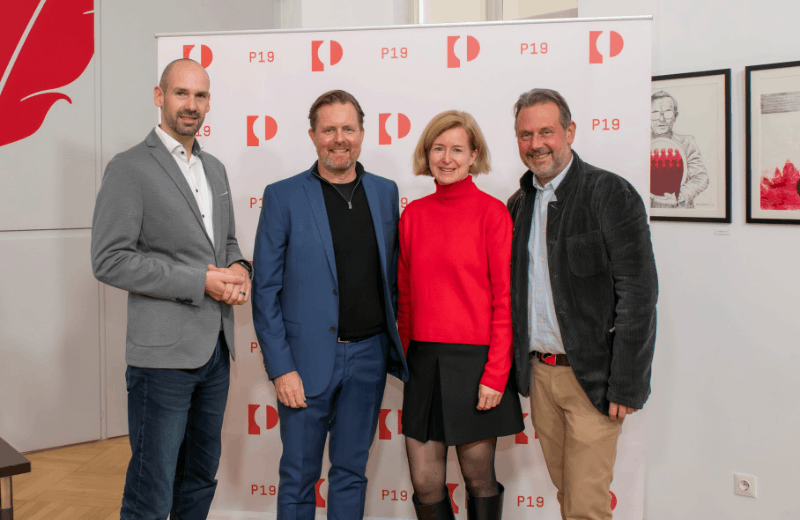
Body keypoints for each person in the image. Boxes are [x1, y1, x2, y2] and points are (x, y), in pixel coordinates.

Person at [91, 58, 252, 519]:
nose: (191, 105)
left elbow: (226, 243)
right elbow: (109, 260)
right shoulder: (129, 168)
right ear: (159, 97)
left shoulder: (214, 168)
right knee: (151, 489)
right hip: (161, 360)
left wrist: (240, 268)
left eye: (200, 95)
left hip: (215, 351)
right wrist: (199, 281)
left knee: (199, 478)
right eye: (181, 93)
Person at [251, 90, 409, 519]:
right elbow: (265, 291)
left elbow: (391, 277)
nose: (339, 139)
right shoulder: (283, 196)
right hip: (304, 364)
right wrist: (281, 368)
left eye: (348, 129)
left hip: (369, 359)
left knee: (351, 474)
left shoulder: (384, 192)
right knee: (298, 476)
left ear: (362, 133)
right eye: (329, 130)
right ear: (312, 135)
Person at [507, 88, 658, 520]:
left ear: (569, 132)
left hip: (594, 378)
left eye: (546, 132)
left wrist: (626, 382)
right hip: (539, 376)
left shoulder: (609, 192)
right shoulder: (518, 204)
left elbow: (639, 293)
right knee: (568, 495)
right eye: (525, 135)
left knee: (586, 506)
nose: (536, 143)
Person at [398, 110, 524, 520]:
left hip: (476, 365)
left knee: (478, 478)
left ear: (474, 155)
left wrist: (496, 374)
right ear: (426, 154)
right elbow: (405, 297)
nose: (446, 158)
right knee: (425, 482)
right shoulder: (413, 215)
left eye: (457, 149)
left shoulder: (493, 213)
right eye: (438, 148)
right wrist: (404, 358)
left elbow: (505, 301)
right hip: (423, 361)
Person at [650, 90, 709, 208]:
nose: (661, 119)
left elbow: (701, 177)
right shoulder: (639, 145)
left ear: (675, 116)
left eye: (667, 113)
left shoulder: (687, 143)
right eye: (655, 113)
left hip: (679, 210)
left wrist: (681, 195)